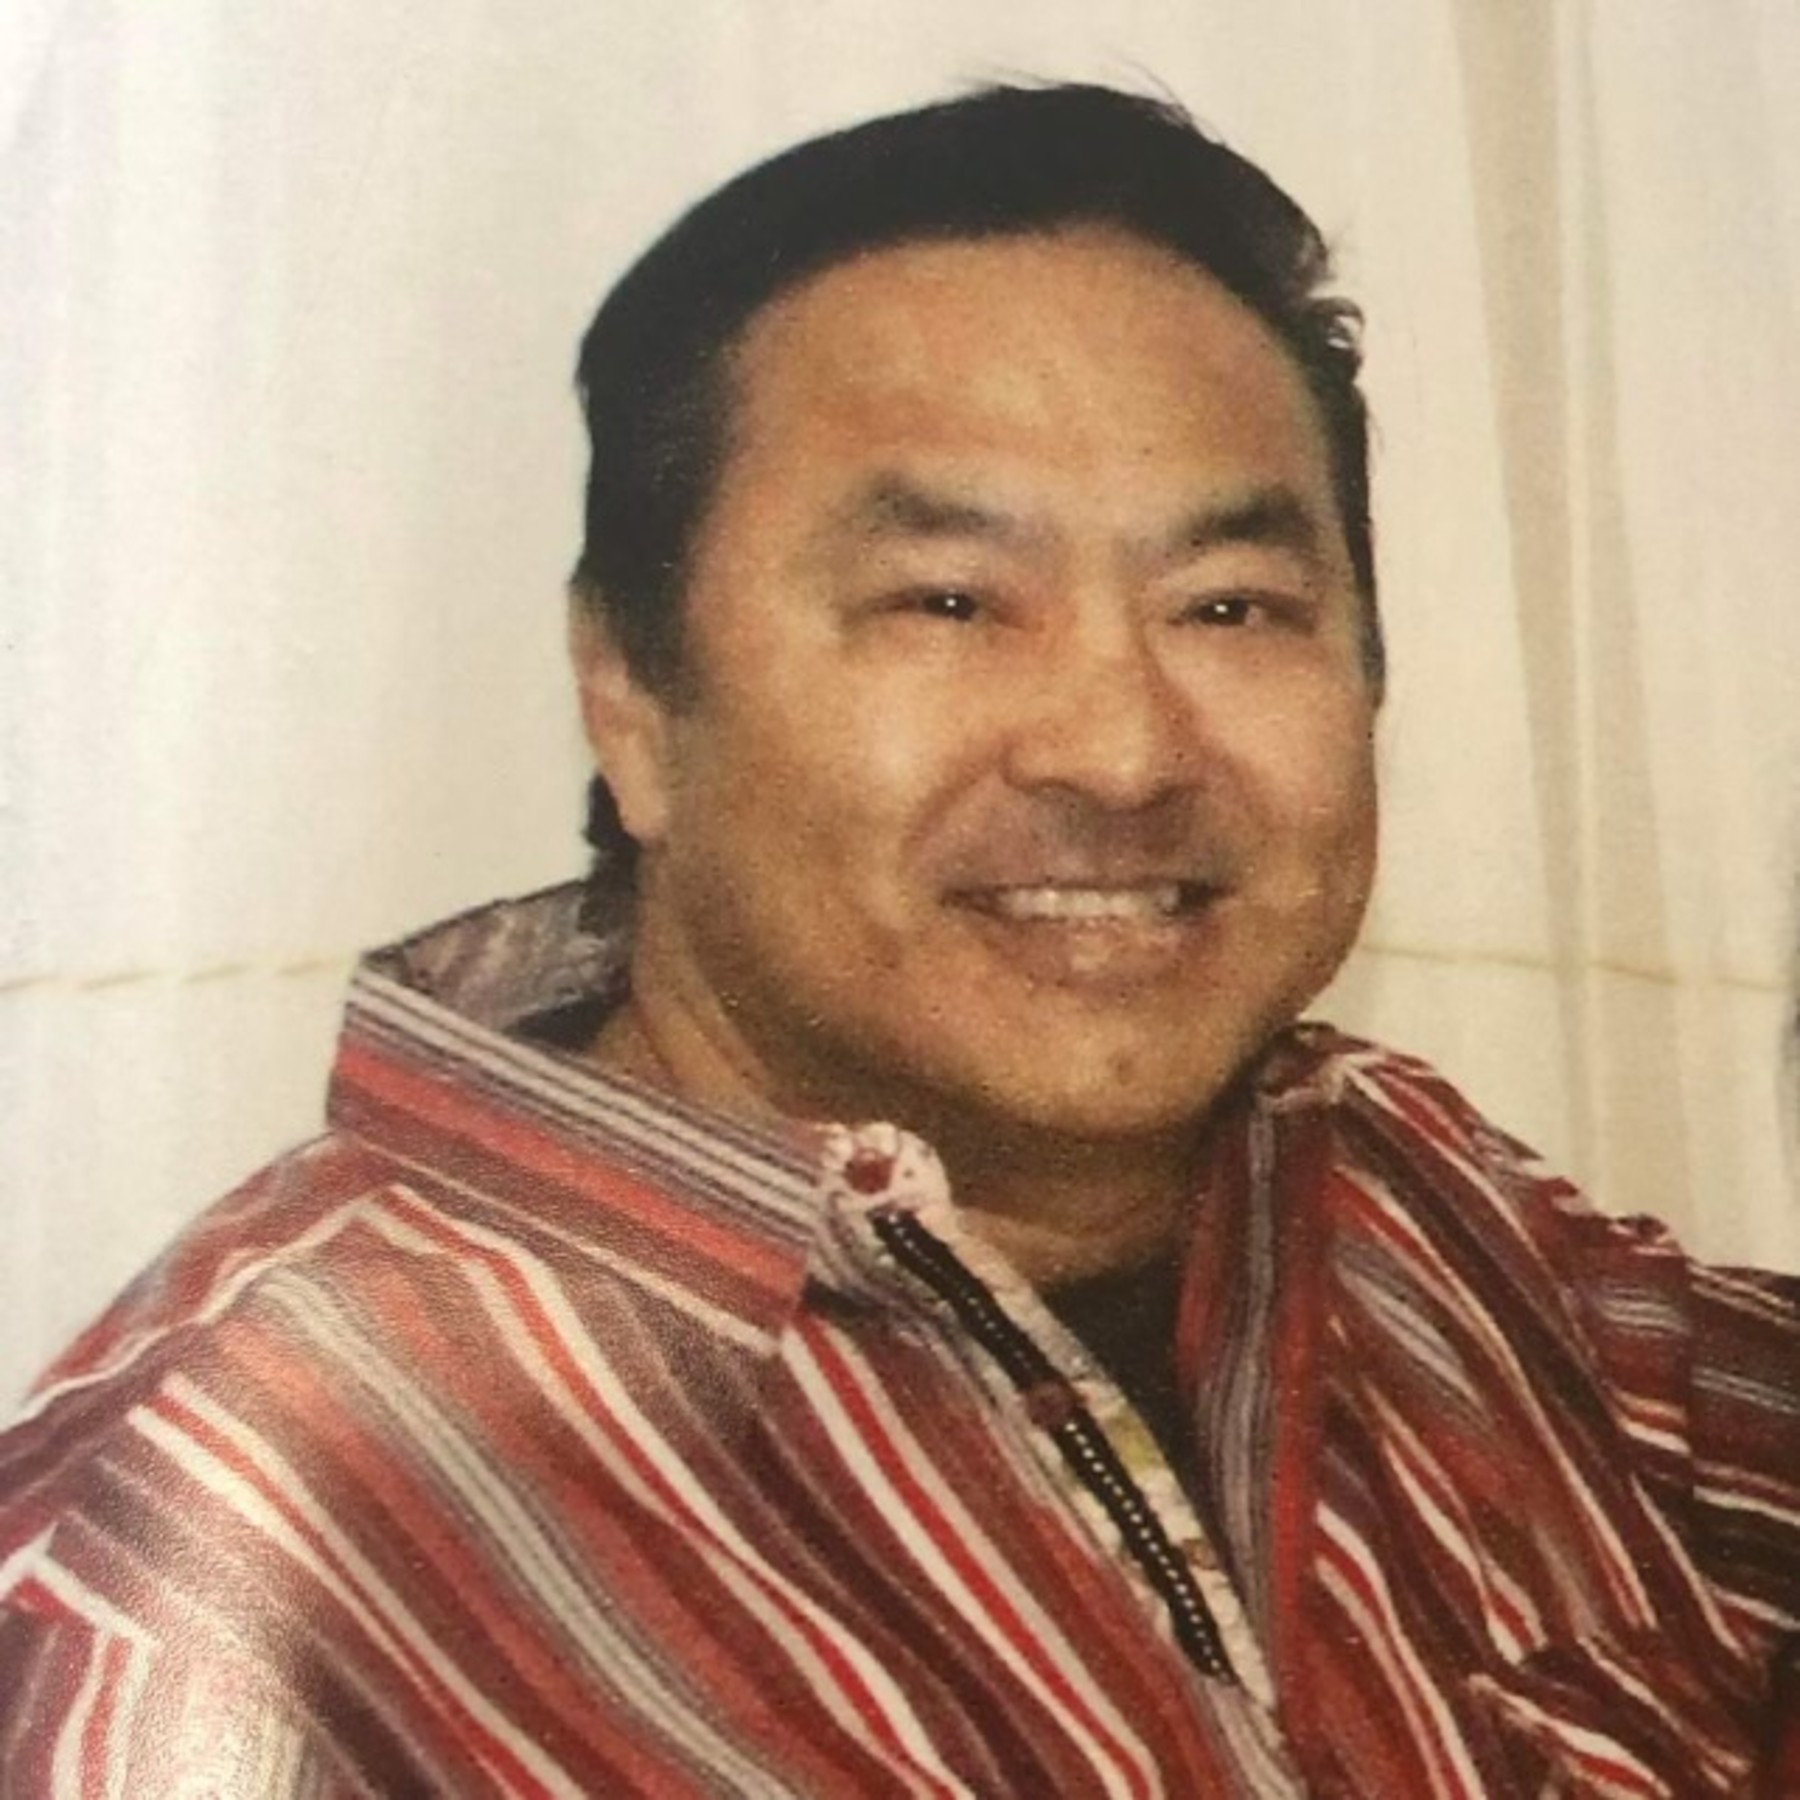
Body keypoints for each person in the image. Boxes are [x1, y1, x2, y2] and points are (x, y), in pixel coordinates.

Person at [2, 82, 1796, 1797]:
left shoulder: (1411, 1216)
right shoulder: (224, 1555)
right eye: (948, 601)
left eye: (1232, 606)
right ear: (630, 697)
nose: (1121, 748)